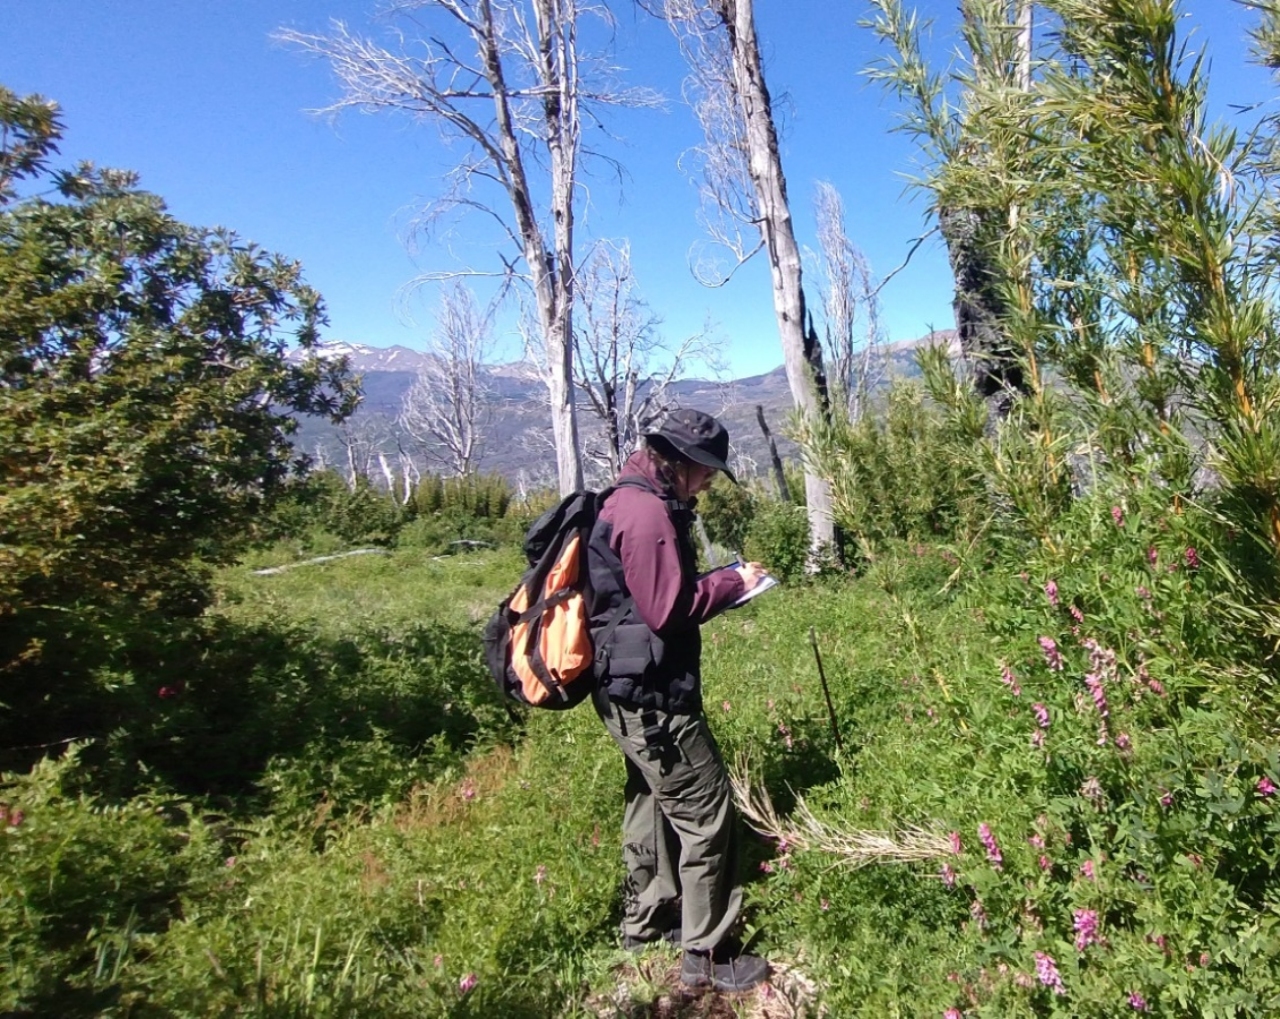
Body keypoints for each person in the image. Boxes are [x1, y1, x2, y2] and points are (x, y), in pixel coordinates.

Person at [587, 407, 771, 993]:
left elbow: (645, 597)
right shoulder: (647, 516)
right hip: (655, 701)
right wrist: (733, 583)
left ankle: (648, 920)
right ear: (683, 463)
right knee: (707, 815)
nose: (711, 483)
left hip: (624, 689)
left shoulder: (627, 497)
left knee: (649, 798)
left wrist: (718, 581)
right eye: (709, 472)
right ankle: (709, 955)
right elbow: (666, 611)